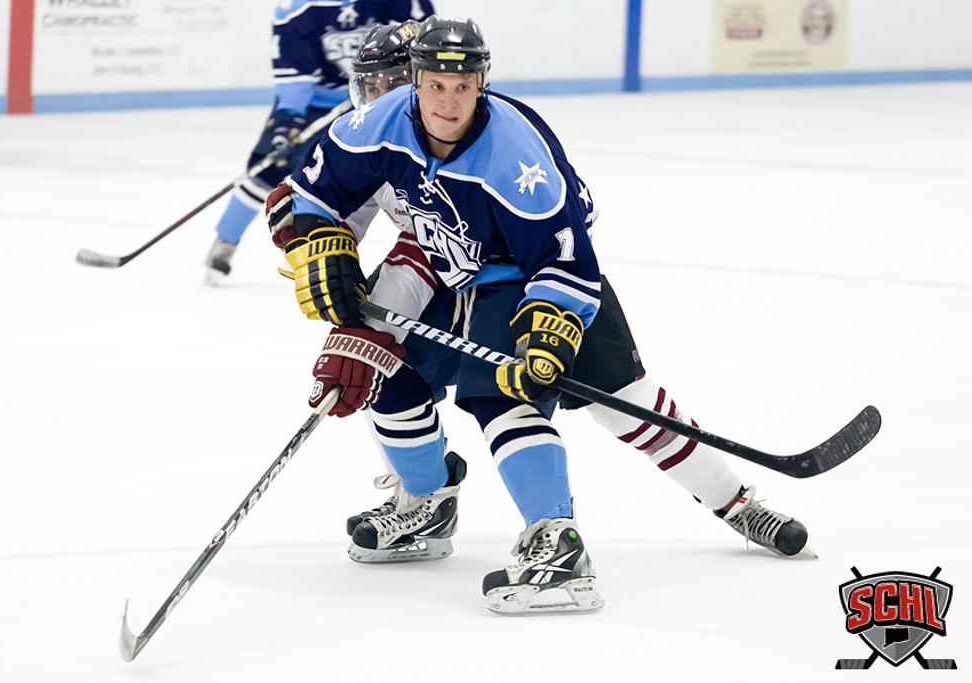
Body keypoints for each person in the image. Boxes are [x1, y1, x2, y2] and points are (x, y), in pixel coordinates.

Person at [270, 17, 809, 613]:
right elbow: (320, 196)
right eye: (428, 85)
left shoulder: (515, 158)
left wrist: (547, 332)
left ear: (481, 84)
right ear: (414, 84)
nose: (444, 101)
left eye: (462, 85)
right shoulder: (380, 123)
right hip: (451, 269)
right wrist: (317, 240)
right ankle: (426, 504)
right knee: (384, 371)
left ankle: (719, 505)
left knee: (612, 402)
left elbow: (566, 259)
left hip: (537, 275)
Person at [202, 0, 433, 284]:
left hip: (387, 95)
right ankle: (225, 240)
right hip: (319, 102)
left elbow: (424, 43)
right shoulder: (298, 9)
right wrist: (288, 121)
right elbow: (295, 78)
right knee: (267, 168)